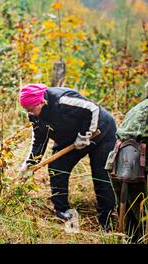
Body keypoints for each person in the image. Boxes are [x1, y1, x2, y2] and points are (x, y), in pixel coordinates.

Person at [18, 83, 117, 231]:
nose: (30, 113)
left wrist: (85, 135)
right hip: (70, 138)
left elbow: (92, 109)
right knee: (57, 168)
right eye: (27, 111)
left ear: (41, 102)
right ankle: (62, 211)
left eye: (32, 109)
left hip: (100, 133)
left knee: (100, 176)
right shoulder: (34, 115)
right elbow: (40, 139)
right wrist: (30, 163)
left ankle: (106, 220)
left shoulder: (62, 101)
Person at [105, 81, 148, 240]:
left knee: (132, 220)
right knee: (143, 219)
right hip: (137, 168)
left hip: (117, 163)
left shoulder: (138, 107)